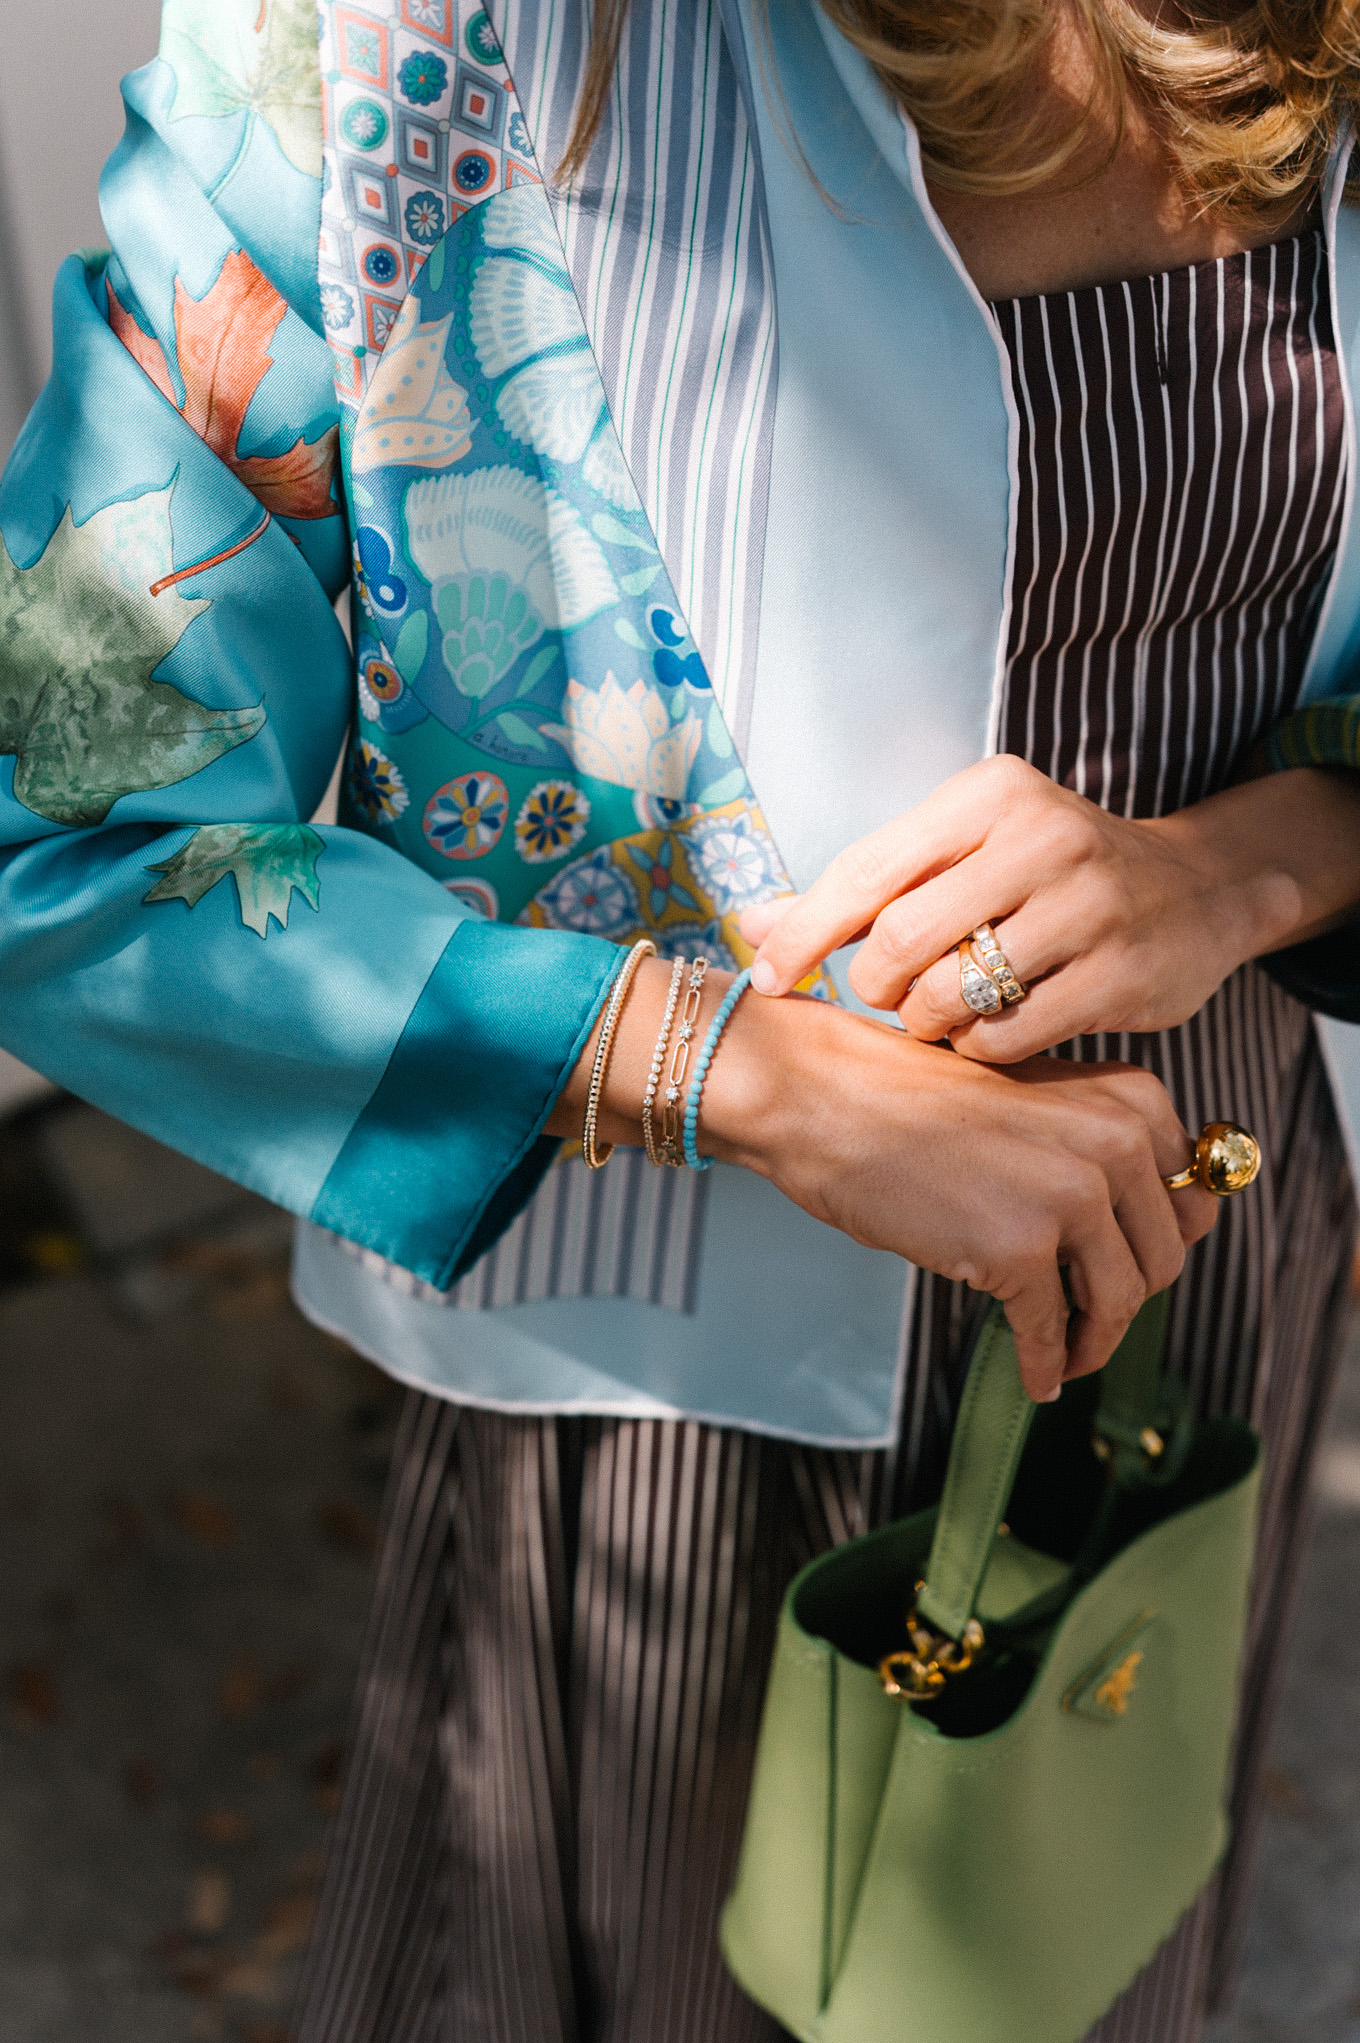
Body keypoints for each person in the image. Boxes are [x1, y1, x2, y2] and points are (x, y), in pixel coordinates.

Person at [3, 0, 1360, 2034]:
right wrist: (728, 1067)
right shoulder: (374, 62)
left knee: (1069, 1938)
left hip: (1202, 1261)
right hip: (654, 1390)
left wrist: (1267, 850)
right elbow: (71, 833)